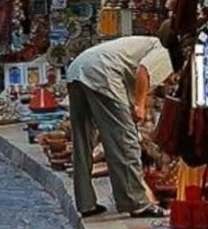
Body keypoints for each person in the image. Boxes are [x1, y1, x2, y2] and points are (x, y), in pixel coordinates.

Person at [66, 36, 175, 219]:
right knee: (124, 141)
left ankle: (86, 203)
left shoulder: (143, 45)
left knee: (83, 140)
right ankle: (136, 203)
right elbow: (143, 71)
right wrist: (140, 105)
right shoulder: (164, 50)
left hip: (78, 69)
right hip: (102, 72)